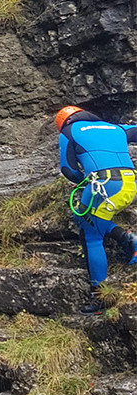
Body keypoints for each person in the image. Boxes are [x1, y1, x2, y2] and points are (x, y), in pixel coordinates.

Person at [56, 105, 137, 315]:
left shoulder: (68, 131)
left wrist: (83, 179)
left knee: (90, 235)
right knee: (92, 218)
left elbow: (69, 169)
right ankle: (128, 240)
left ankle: (99, 296)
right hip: (129, 184)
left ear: (64, 122)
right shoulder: (114, 127)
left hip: (103, 184)